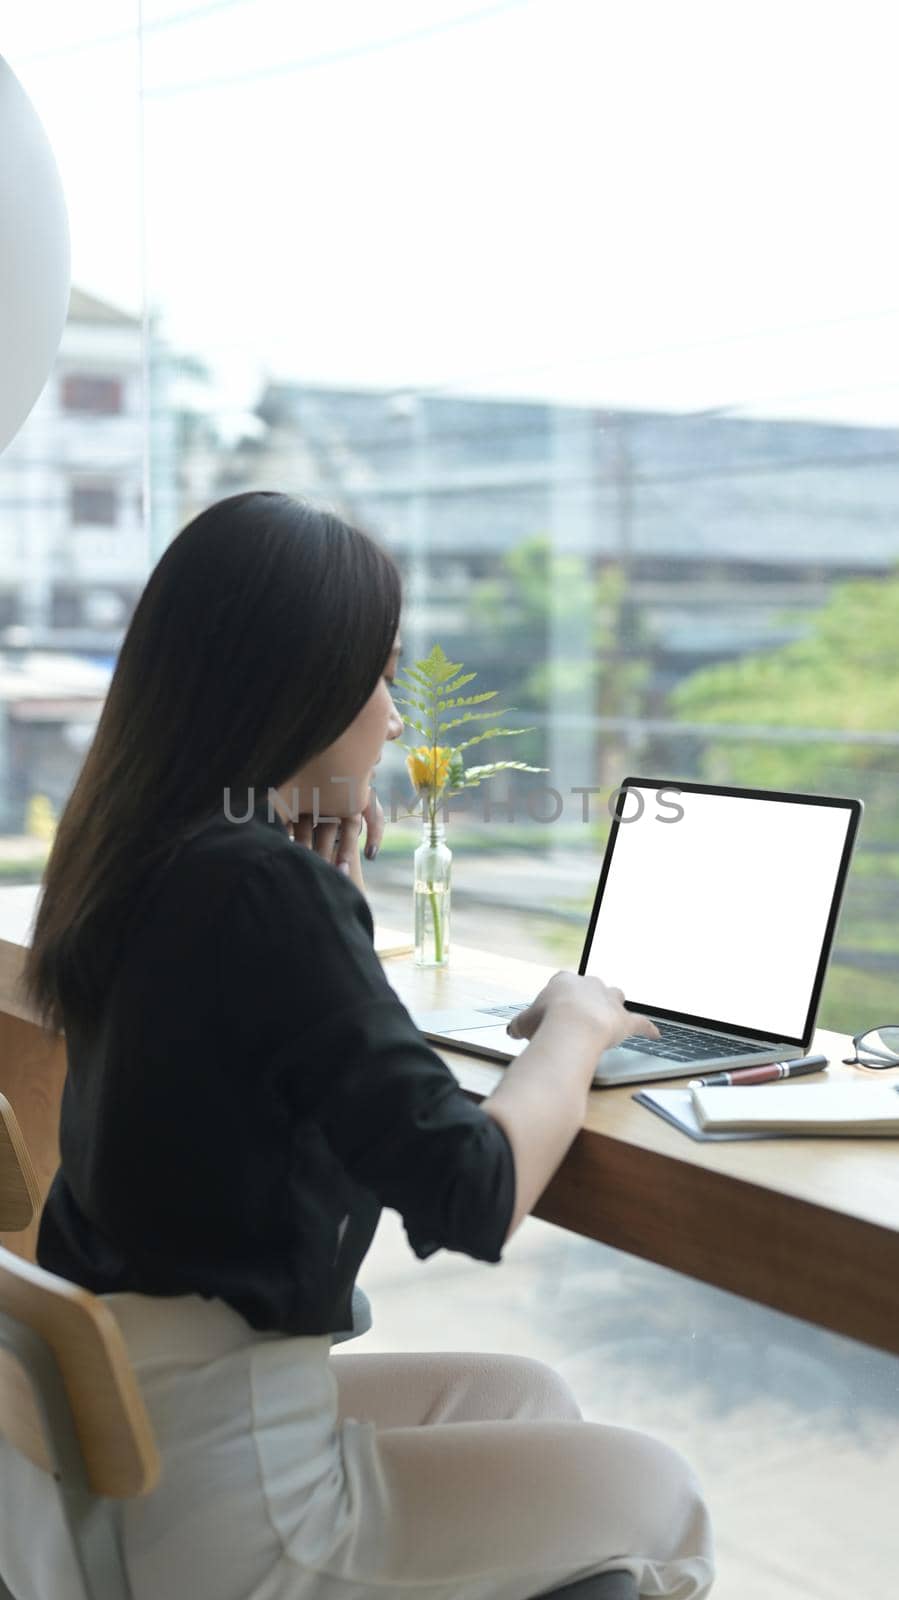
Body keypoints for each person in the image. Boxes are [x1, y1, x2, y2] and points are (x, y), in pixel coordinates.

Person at [0, 493, 714, 1600]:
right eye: (377, 676)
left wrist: (330, 904)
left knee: (521, 1396)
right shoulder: (251, 888)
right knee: (663, 1498)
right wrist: (576, 1020)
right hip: (241, 1510)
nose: (392, 719)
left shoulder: (149, 856)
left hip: (138, 1438)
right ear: (292, 685)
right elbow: (470, 1191)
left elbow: (275, 1072)